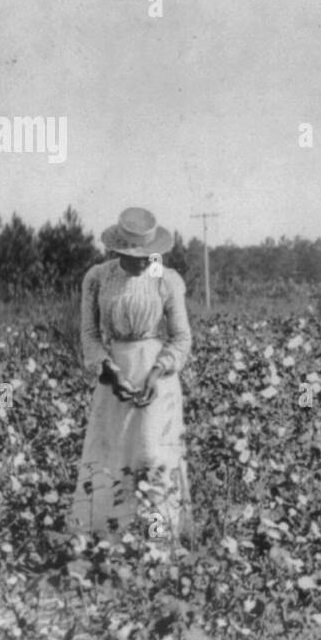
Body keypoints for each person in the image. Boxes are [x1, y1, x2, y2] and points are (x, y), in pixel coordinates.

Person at [73, 206, 193, 542]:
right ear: (118, 251)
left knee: (152, 455)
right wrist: (108, 371)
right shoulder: (98, 278)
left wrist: (157, 372)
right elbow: (89, 335)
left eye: (148, 255)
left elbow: (181, 337)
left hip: (157, 376)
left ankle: (156, 538)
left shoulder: (165, 279)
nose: (143, 262)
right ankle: (112, 537)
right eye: (134, 255)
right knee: (114, 456)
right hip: (115, 377)